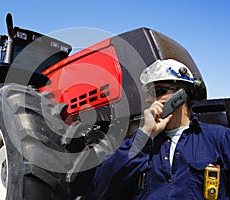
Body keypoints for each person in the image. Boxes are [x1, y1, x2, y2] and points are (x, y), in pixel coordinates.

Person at [93, 59, 230, 199]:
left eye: (157, 91)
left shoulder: (219, 138)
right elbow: (103, 188)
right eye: (148, 94)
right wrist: (145, 134)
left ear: (180, 95)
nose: (148, 100)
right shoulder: (139, 142)